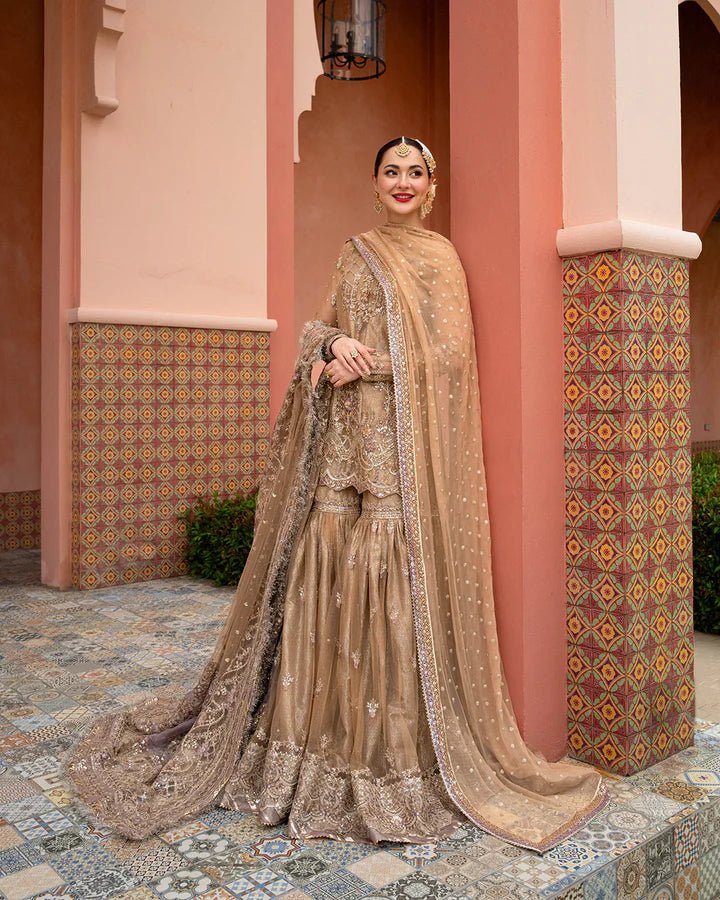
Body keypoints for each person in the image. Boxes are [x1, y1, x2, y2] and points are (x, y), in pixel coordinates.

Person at [65, 136, 608, 852]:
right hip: (341, 452)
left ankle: (378, 759)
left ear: (433, 186)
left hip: (400, 464)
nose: (403, 183)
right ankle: (302, 748)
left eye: (416, 173)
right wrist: (328, 347)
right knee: (324, 584)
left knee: (382, 591)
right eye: (391, 172)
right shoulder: (356, 253)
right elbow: (319, 327)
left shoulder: (439, 260)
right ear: (375, 183)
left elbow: (448, 358)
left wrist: (370, 363)